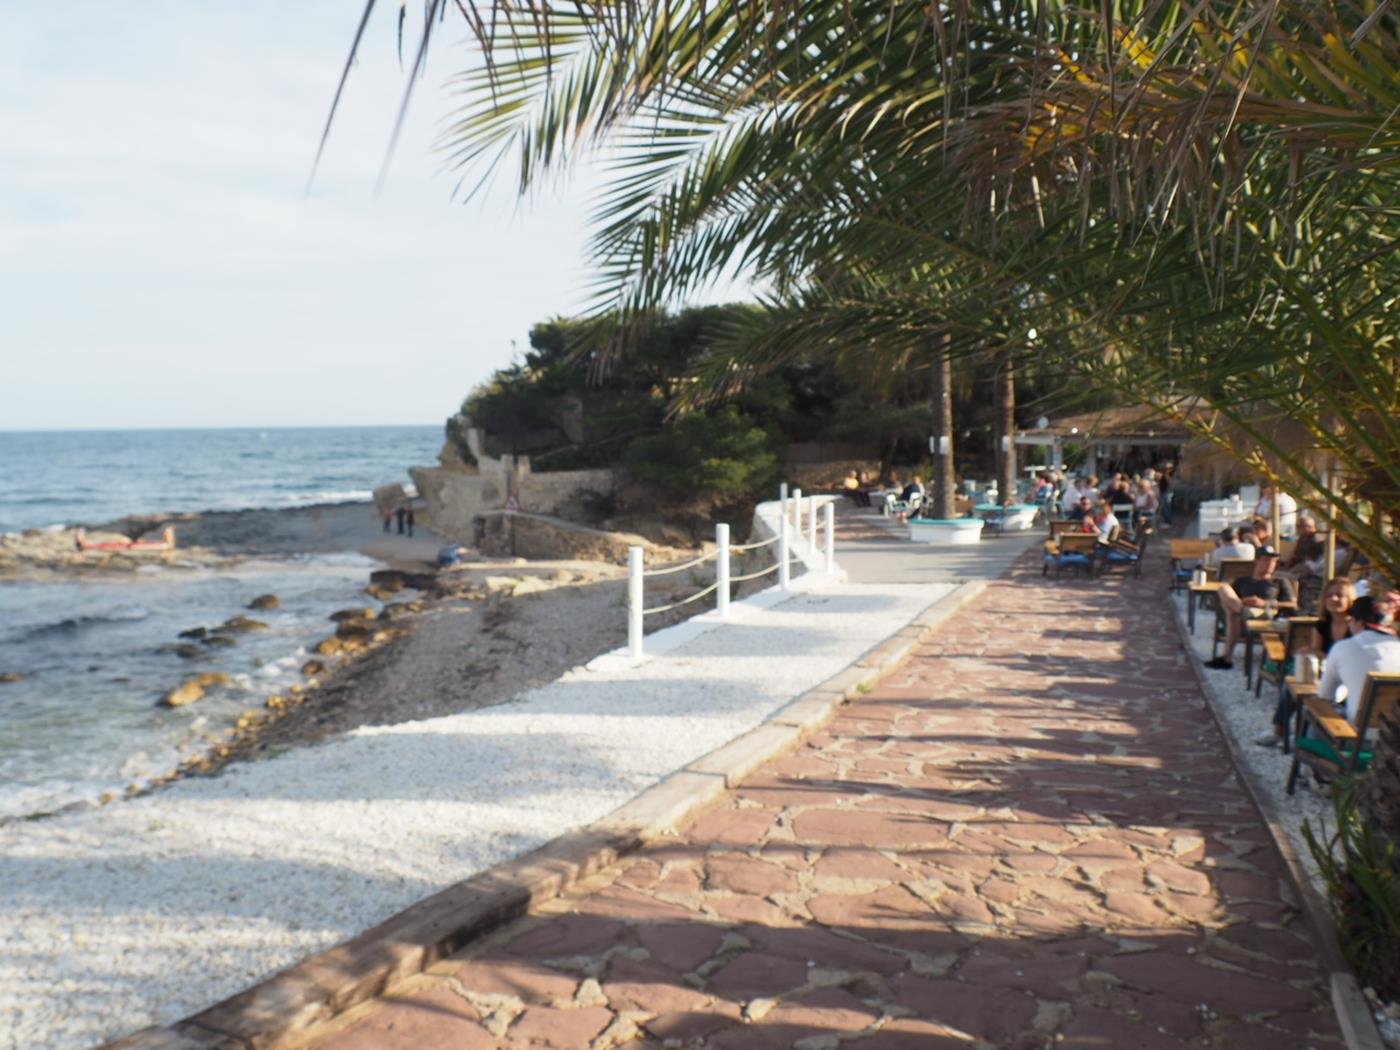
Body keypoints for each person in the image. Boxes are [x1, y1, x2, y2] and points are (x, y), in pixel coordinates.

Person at [1256, 577, 1357, 748]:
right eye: (1329, 596)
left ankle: (1301, 735)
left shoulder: (1355, 626)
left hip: (1346, 679)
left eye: (1340, 596)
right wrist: (1313, 653)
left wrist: (1321, 655)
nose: (1333, 599)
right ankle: (1280, 730)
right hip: (1325, 672)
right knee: (1292, 681)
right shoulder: (1322, 625)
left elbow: (1349, 659)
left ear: (1350, 600)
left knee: (1305, 687)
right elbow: (1314, 652)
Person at [1311, 593, 1400, 727]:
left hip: (1359, 736)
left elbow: (1325, 695)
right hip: (1395, 738)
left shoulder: (1342, 647)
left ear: (1359, 622)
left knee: (1315, 710)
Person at [1205, 546, 1295, 670]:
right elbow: (1226, 600)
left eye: (1273, 561)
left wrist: (1266, 603)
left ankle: (1227, 658)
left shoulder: (1280, 581)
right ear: (1256, 561)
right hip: (1243, 615)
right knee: (1224, 589)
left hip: (1266, 616)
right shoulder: (1242, 581)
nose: (1270, 564)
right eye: (1266, 560)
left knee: (1233, 613)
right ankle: (1242, 610)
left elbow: (1292, 604)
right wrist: (1243, 602)